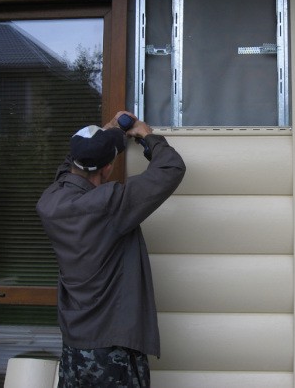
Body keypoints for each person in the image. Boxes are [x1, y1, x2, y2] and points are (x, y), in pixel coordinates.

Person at [36, 111, 186, 387]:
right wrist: (146, 134)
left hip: (74, 345)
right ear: (107, 168)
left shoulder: (49, 202)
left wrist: (108, 135)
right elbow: (171, 168)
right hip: (111, 347)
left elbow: (69, 167)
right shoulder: (109, 204)